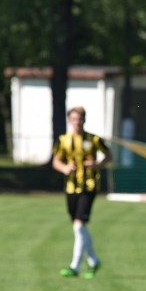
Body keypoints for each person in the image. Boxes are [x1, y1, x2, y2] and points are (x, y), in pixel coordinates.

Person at [51, 106, 113, 279]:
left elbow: (109, 156)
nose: (77, 122)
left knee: (79, 225)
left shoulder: (93, 139)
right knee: (79, 227)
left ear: (84, 120)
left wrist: (97, 164)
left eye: (79, 119)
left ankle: (75, 266)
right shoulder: (63, 140)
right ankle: (93, 261)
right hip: (71, 187)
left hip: (89, 186)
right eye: (74, 119)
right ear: (70, 121)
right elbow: (56, 161)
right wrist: (64, 168)